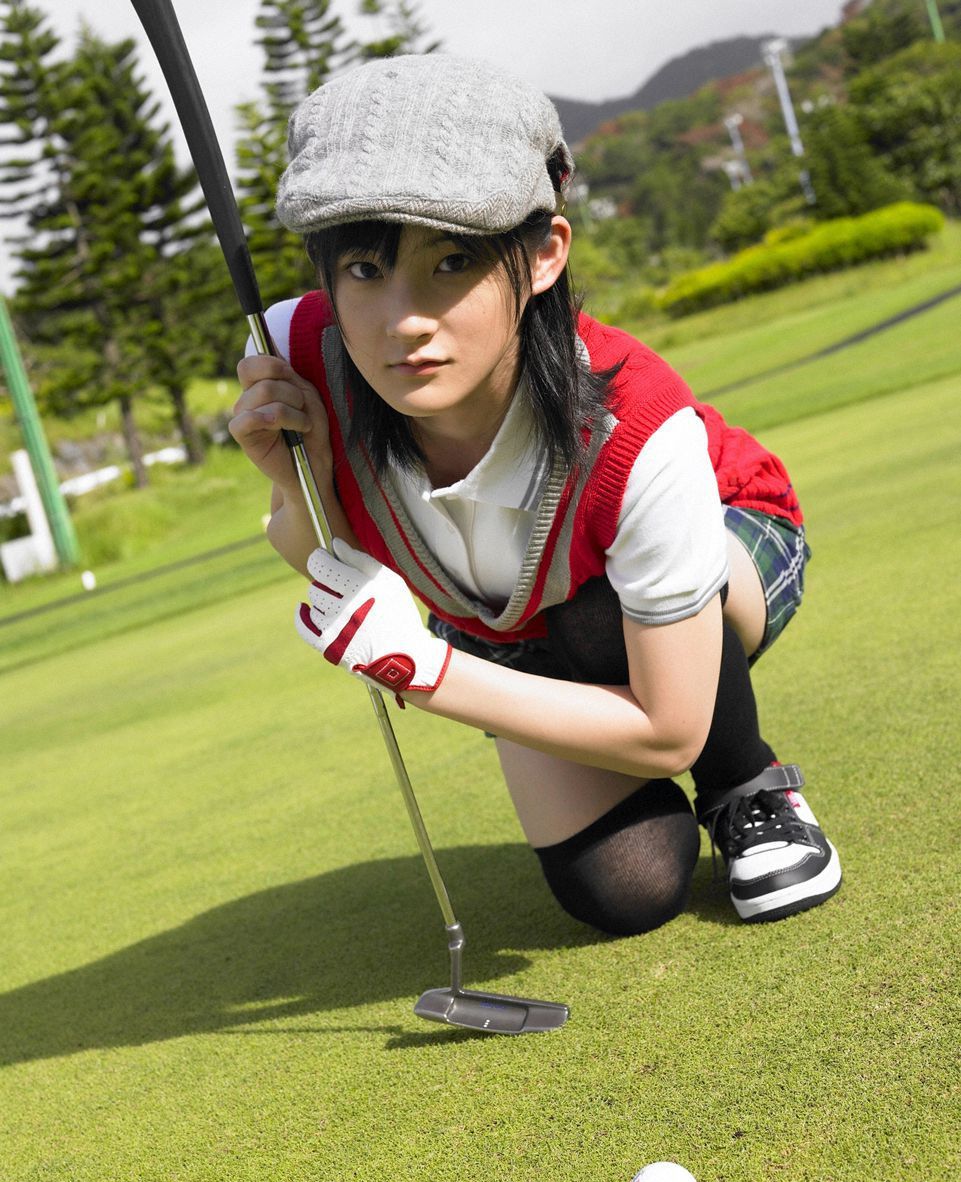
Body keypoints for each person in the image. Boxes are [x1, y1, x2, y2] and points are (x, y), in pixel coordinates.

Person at [229, 53, 841, 935]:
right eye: (363, 269)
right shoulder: (291, 356)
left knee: (596, 613)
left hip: (726, 537)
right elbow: (322, 548)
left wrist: (425, 670)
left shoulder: (640, 426)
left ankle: (745, 783)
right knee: (625, 890)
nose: (402, 318)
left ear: (543, 253)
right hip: (502, 618)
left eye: (450, 261)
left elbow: (667, 731)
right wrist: (296, 481)